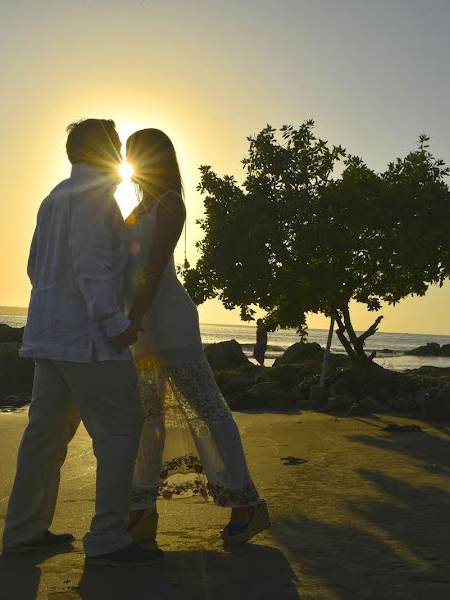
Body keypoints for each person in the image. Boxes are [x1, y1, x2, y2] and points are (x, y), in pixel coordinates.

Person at [2, 119, 163, 566]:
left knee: (45, 438)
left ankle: (23, 530)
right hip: (88, 339)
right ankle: (108, 537)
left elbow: (35, 268)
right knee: (120, 428)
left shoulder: (54, 197)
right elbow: (92, 264)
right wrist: (114, 321)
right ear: (105, 151)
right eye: (115, 144)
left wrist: (58, 310)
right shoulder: (95, 195)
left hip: (48, 336)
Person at [123, 128, 269, 543]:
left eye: (136, 154)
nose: (130, 164)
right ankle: (141, 506)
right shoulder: (138, 208)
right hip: (142, 329)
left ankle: (247, 503)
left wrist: (132, 317)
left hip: (168, 322)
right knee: (149, 415)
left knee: (207, 408)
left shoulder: (170, 204)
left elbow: (152, 270)